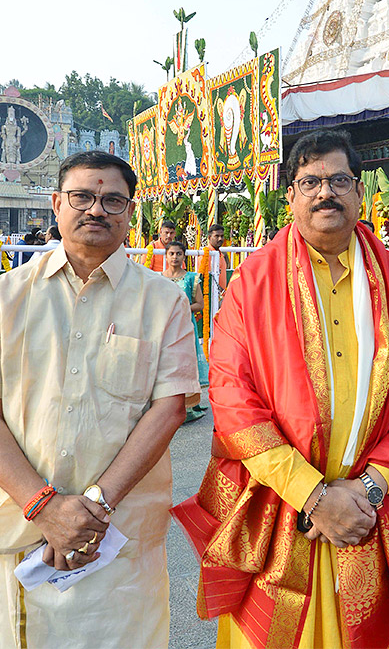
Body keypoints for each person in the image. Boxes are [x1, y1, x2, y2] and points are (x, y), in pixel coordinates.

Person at [173, 129, 389, 649]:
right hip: (280, 506)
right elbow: (232, 399)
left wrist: (370, 487)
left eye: (339, 180)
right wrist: (313, 496)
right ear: (291, 198)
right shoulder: (252, 284)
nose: (326, 193)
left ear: (360, 192)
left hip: (367, 508)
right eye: (310, 182)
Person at [0, 149, 200, 648]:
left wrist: (93, 507)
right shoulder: (6, 297)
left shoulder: (163, 300)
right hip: (17, 533)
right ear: (56, 204)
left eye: (113, 200)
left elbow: (170, 408)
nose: (96, 210)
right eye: (82, 196)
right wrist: (42, 507)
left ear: (130, 212)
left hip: (116, 543)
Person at [163, 239, 208, 422]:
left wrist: (181, 307)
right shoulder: (158, 278)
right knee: (167, 366)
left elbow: (200, 304)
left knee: (185, 365)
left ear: (184, 256)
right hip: (165, 329)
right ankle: (165, 407)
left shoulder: (191, 278)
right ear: (166, 256)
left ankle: (189, 407)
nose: (175, 257)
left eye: (178, 254)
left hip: (184, 327)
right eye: (171, 253)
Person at [207, 223, 227, 313]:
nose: (220, 239)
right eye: (217, 236)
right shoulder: (206, 255)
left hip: (220, 297)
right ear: (209, 237)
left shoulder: (220, 254)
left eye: (222, 236)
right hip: (210, 297)